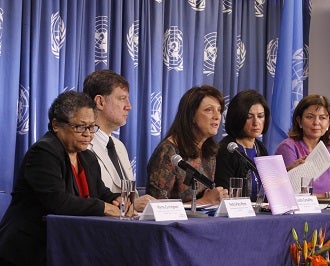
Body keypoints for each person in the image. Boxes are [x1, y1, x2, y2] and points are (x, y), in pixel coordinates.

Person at [0, 91, 133, 266]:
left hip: (71, 245)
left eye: (92, 127)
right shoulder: (44, 152)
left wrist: (116, 200)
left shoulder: (87, 157)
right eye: (80, 126)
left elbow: (101, 192)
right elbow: (57, 202)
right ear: (56, 125)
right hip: (31, 248)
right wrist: (105, 208)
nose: (88, 134)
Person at [83, 69, 155, 212]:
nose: (129, 106)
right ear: (100, 102)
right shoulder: (82, 145)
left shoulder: (119, 146)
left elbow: (131, 195)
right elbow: (91, 199)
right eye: (122, 99)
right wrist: (131, 206)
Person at [147, 85, 228, 204]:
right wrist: (204, 201)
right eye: (209, 110)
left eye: (219, 110)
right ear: (192, 116)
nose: (217, 116)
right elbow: (156, 207)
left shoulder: (208, 152)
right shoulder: (168, 152)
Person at [275, 94, 330, 199]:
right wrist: (329, 197)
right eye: (310, 117)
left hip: (322, 213)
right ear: (299, 121)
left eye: (322, 118)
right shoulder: (288, 147)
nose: (316, 122)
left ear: (329, 122)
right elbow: (290, 195)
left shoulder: (327, 151)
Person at [215, 90, 270, 201]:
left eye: (260, 116)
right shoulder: (226, 150)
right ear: (238, 118)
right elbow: (224, 193)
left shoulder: (260, 148)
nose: (256, 122)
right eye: (249, 117)